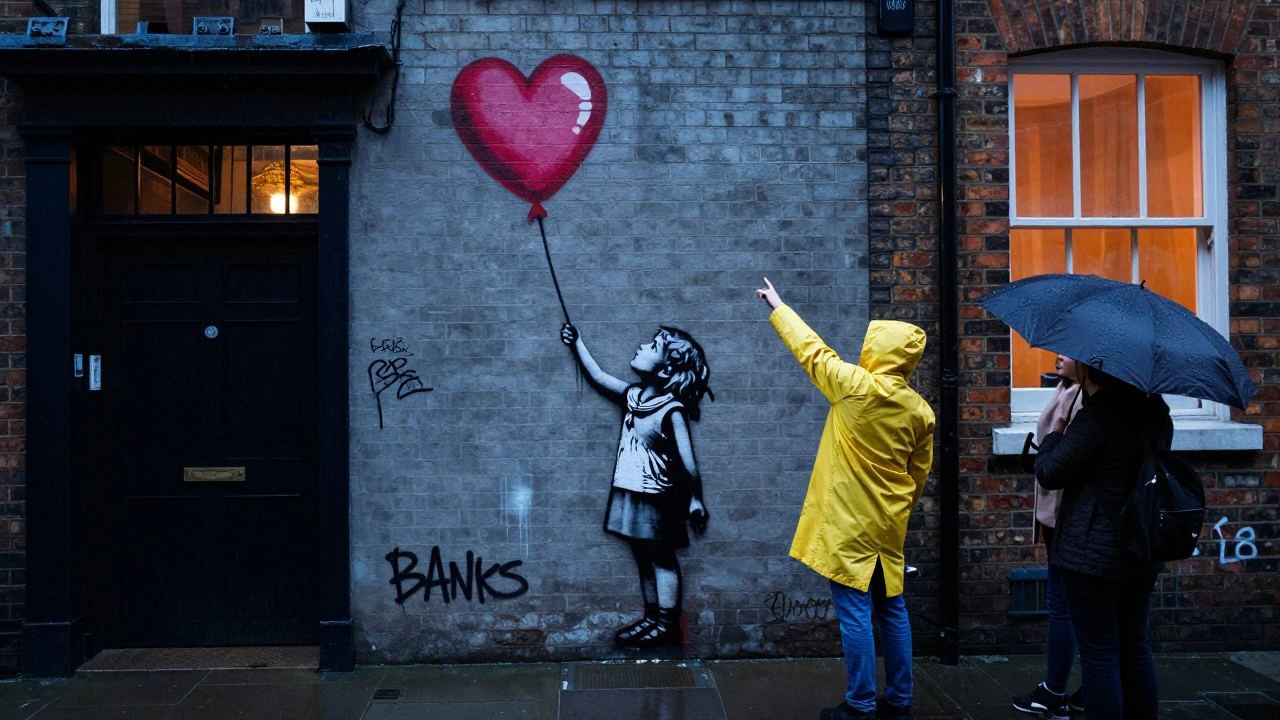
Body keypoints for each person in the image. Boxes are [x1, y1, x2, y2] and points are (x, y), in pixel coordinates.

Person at [756, 278, 934, 720]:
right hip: (888, 525)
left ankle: (859, 705)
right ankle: (899, 701)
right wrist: (900, 515)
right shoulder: (920, 411)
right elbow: (919, 474)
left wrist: (778, 306)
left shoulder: (854, 387)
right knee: (892, 609)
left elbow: (813, 352)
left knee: (855, 612)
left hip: (849, 525)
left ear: (877, 351)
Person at [561, 323, 712, 649]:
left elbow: (688, 463)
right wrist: (577, 344)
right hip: (628, 490)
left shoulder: (670, 410)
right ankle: (652, 618)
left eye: (652, 345)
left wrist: (695, 500)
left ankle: (667, 624)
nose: (642, 346)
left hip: (656, 496)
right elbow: (599, 377)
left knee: (661, 558)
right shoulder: (634, 397)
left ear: (667, 366)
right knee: (643, 556)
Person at [1034, 362, 1172, 720]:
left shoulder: (1098, 417)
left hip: (1093, 552)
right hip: (1141, 547)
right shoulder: (1155, 410)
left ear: (1093, 370)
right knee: (1135, 647)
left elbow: (1050, 472)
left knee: (1100, 653)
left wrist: (1055, 433)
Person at [1013, 356, 1085, 719]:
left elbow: (1065, 460)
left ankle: (1055, 690)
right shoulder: (1066, 390)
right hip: (1056, 514)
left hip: (1067, 517)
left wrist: (1052, 445)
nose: (1058, 355)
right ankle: (1070, 687)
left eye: (1068, 350)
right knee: (1068, 606)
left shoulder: (1084, 401)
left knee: (1065, 607)